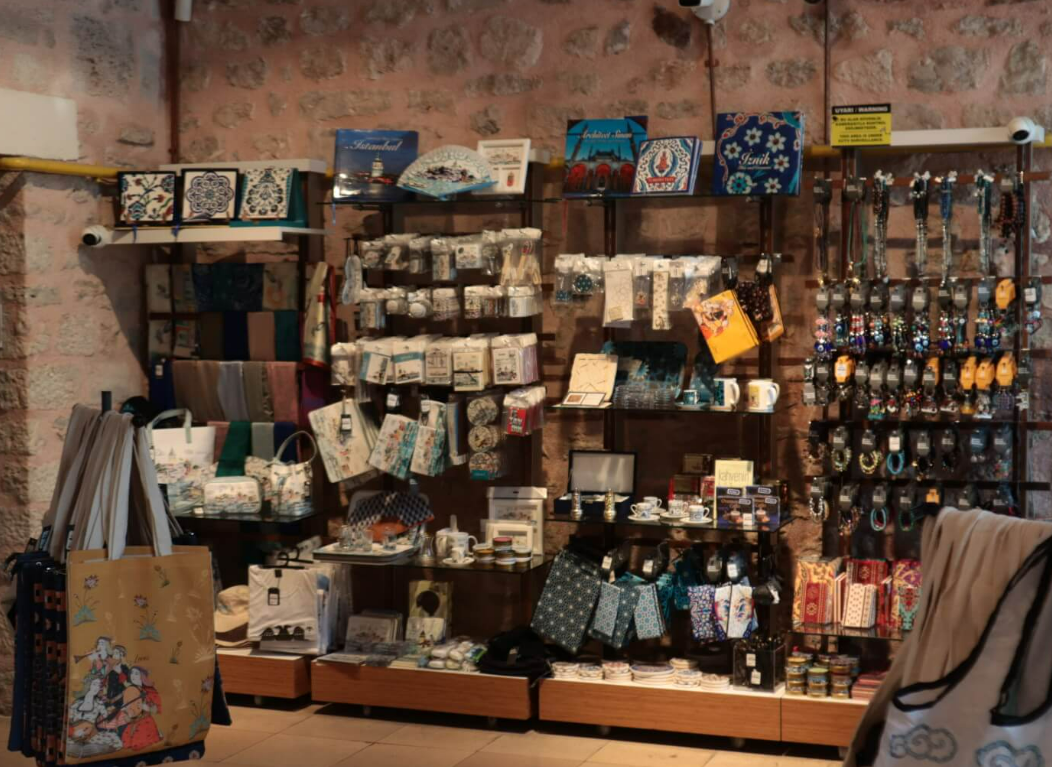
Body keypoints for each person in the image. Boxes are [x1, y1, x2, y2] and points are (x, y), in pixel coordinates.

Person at [98, 666, 164, 751]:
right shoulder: (129, 688)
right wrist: (110, 703)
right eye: (132, 673)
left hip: (143, 720)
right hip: (128, 716)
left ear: (142, 676)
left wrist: (147, 708)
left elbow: (157, 709)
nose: (133, 675)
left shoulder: (148, 691)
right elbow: (117, 699)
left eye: (136, 673)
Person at [65, 678, 123, 758]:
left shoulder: (99, 703)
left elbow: (107, 717)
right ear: (88, 685)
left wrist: (112, 710)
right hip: (75, 733)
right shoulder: (77, 702)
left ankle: (85, 749)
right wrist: (74, 732)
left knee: (115, 741)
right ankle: (81, 748)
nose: (96, 687)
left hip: (90, 735)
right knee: (68, 745)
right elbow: (69, 720)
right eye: (94, 684)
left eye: (99, 686)